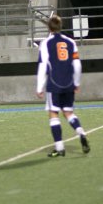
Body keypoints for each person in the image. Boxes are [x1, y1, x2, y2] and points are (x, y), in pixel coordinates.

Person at [36, 14, 90, 157]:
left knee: (53, 114)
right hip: (68, 83)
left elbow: (43, 66)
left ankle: (59, 148)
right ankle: (81, 133)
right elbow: (77, 64)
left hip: (54, 84)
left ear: (49, 27)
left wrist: (39, 87)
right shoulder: (71, 42)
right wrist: (76, 82)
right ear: (60, 27)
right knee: (69, 113)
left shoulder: (45, 43)